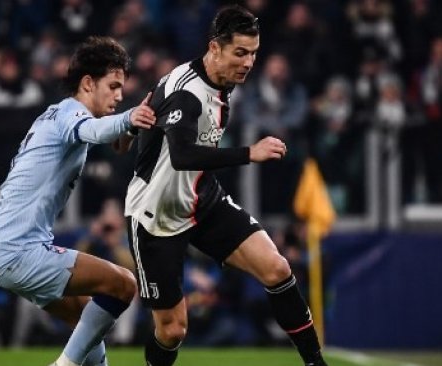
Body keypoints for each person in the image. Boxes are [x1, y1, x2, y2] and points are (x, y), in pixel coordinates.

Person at [124, 5, 327, 366]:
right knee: (173, 331)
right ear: (214, 47)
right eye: (240, 53)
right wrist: (251, 152)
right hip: (156, 214)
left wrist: (129, 130)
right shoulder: (188, 91)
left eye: (253, 53)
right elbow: (182, 155)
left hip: (202, 199)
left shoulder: (218, 79)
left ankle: (315, 363)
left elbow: (149, 113)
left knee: (277, 269)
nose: (248, 63)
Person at [0, 36, 156, 366]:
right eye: (113, 85)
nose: (119, 95)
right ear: (88, 83)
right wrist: (133, 115)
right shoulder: (70, 115)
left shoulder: (56, 114)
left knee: (85, 320)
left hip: (1, 246)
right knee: (123, 284)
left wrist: (133, 125)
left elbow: (116, 142)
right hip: (19, 250)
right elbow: (98, 133)